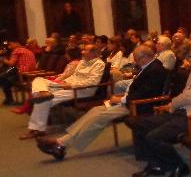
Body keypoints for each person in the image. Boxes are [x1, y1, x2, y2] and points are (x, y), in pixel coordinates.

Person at [35, 46, 166, 160]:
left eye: (136, 58)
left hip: (138, 106)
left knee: (99, 117)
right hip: (130, 101)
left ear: (143, 57)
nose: (135, 61)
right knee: (95, 110)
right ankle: (62, 143)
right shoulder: (148, 67)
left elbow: (146, 94)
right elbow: (138, 90)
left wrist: (120, 99)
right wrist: (120, 98)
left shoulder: (156, 70)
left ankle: (60, 144)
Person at [126, 46, 191, 177]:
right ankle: (156, 163)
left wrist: (172, 104)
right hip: (182, 113)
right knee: (138, 123)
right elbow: (185, 97)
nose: (188, 60)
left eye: (190, 57)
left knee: (154, 136)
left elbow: (189, 97)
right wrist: (174, 106)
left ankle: (178, 166)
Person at [21, 45, 105, 139]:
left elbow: (92, 82)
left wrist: (70, 85)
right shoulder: (82, 62)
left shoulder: (99, 64)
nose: (82, 52)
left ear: (93, 53)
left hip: (81, 90)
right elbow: (74, 76)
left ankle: (37, 129)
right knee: (38, 79)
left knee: (42, 100)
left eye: (85, 50)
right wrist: (63, 81)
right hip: (67, 85)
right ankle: (43, 93)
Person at [0, 40, 36, 105]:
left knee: (4, 79)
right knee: (5, 77)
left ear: (16, 43)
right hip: (30, 74)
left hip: (22, 74)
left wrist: (3, 59)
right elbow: (13, 66)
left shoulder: (17, 50)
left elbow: (11, 63)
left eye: (11, 44)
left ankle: (10, 100)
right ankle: (9, 100)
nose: (9, 47)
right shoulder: (26, 50)